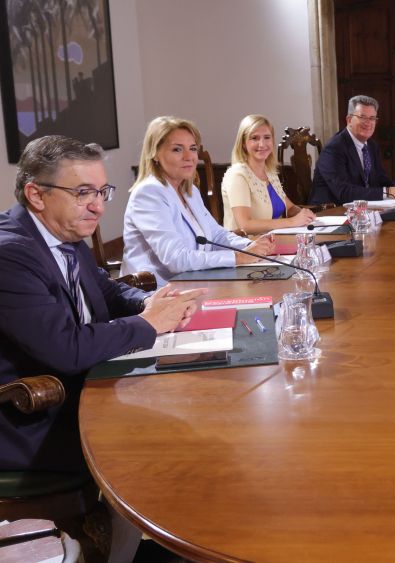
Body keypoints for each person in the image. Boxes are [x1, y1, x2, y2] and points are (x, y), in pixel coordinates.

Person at [0, 135, 203, 469]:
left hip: (89, 382)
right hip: (37, 417)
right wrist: (149, 322)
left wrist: (151, 301)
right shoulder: (10, 254)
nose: (99, 207)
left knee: (196, 402)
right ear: (36, 195)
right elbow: (66, 348)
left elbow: (106, 291)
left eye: (101, 192)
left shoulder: (63, 230)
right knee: (175, 438)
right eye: (83, 193)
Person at [121, 116, 276, 285]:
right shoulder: (149, 193)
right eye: (177, 149)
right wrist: (237, 257)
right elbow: (176, 259)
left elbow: (216, 235)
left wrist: (251, 247)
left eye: (193, 148)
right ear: (155, 154)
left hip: (194, 281)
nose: (189, 156)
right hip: (156, 291)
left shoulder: (189, 191)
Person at [310, 95, 395, 205]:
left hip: (361, 209)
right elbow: (344, 192)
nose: (368, 123)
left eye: (372, 118)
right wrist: (388, 192)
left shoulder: (372, 146)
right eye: (362, 117)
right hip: (330, 210)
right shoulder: (334, 148)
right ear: (349, 120)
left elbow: (381, 180)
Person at [221, 114, 316, 234]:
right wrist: (292, 222)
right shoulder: (237, 175)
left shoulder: (269, 172)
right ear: (243, 143)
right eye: (254, 138)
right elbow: (245, 225)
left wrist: (305, 215)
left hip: (274, 239)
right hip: (247, 243)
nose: (262, 144)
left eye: (267, 137)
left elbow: (290, 208)